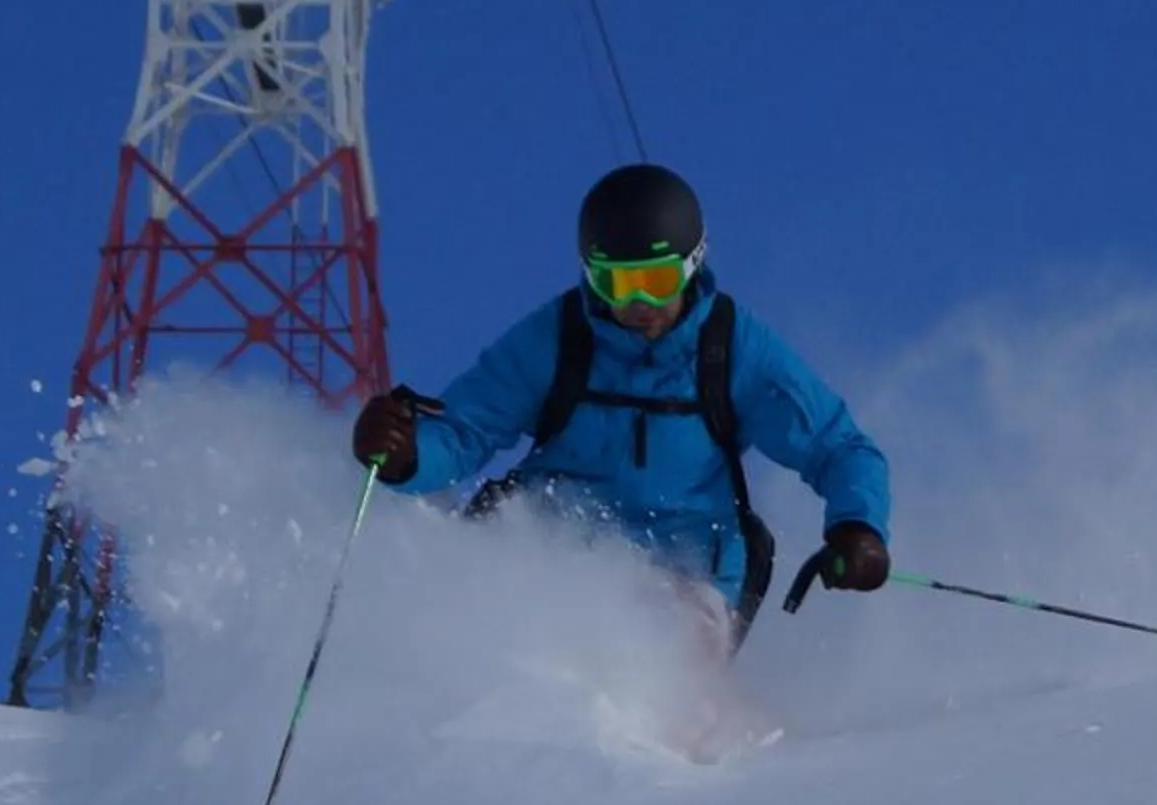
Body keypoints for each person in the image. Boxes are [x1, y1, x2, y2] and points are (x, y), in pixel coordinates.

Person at [349, 163, 892, 647]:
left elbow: (837, 447)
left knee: (652, 650)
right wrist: (405, 454)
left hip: (686, 561)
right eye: (614, 282)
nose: (637, 304)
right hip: (551, 540)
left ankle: (677, 737)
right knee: (494, 631)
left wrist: (858, 526)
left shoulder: (731, 350)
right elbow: (467, 429)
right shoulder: (559, 339)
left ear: (692, 265)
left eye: (656, 281)